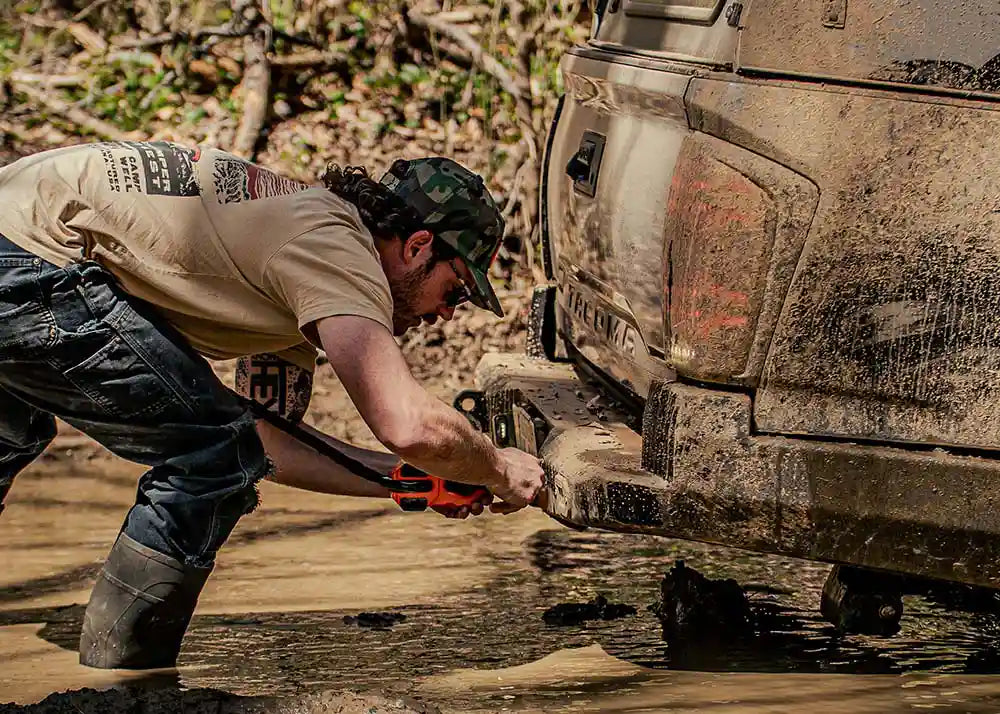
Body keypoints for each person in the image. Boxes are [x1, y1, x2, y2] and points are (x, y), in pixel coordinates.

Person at [0, 141, 545, 670]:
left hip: (20, 242)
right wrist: (497, 468)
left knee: (13, 432)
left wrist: (415, 480)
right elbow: (407, 423)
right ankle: (128, 685)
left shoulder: (302, 251)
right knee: (210, 456)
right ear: (418, 245)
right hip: (32, 260)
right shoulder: (339, 251)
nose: (448, 315)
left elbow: (267, 444)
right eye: (454, 292)